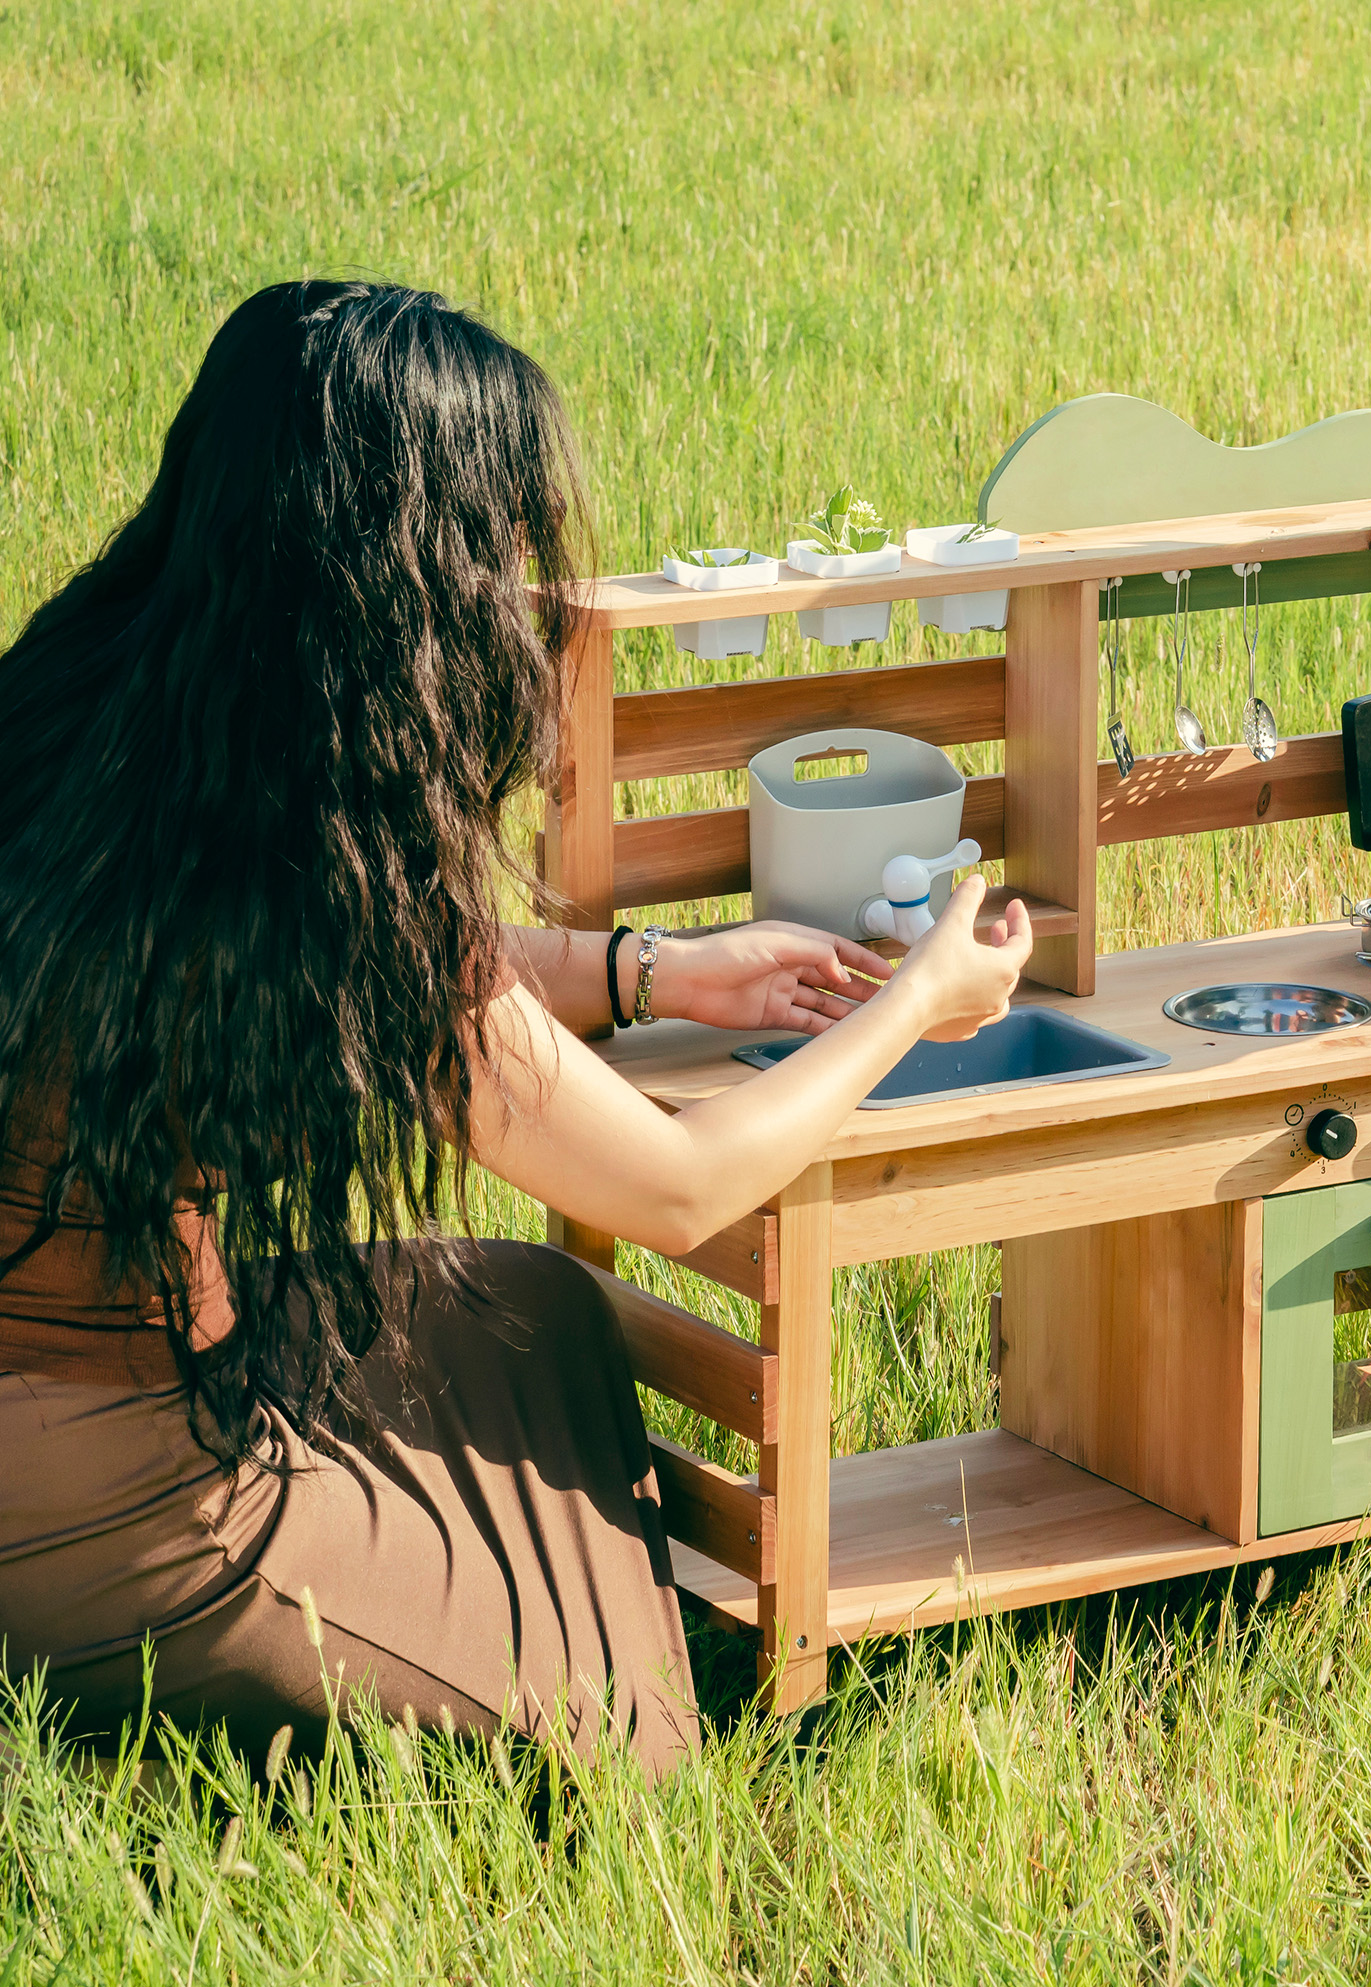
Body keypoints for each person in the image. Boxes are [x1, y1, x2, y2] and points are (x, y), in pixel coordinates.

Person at [0, 280, 1033, 1775]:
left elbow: (386, 973)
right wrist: (925, 996)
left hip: (88, 1399)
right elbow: (680, 1188)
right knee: (629, 1723)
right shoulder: (312, 876)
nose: (515, 594)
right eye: (497, 553)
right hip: (116, 1517)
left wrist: (654, 971)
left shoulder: (89, 715)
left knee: (535, 1312)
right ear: (399, 577)